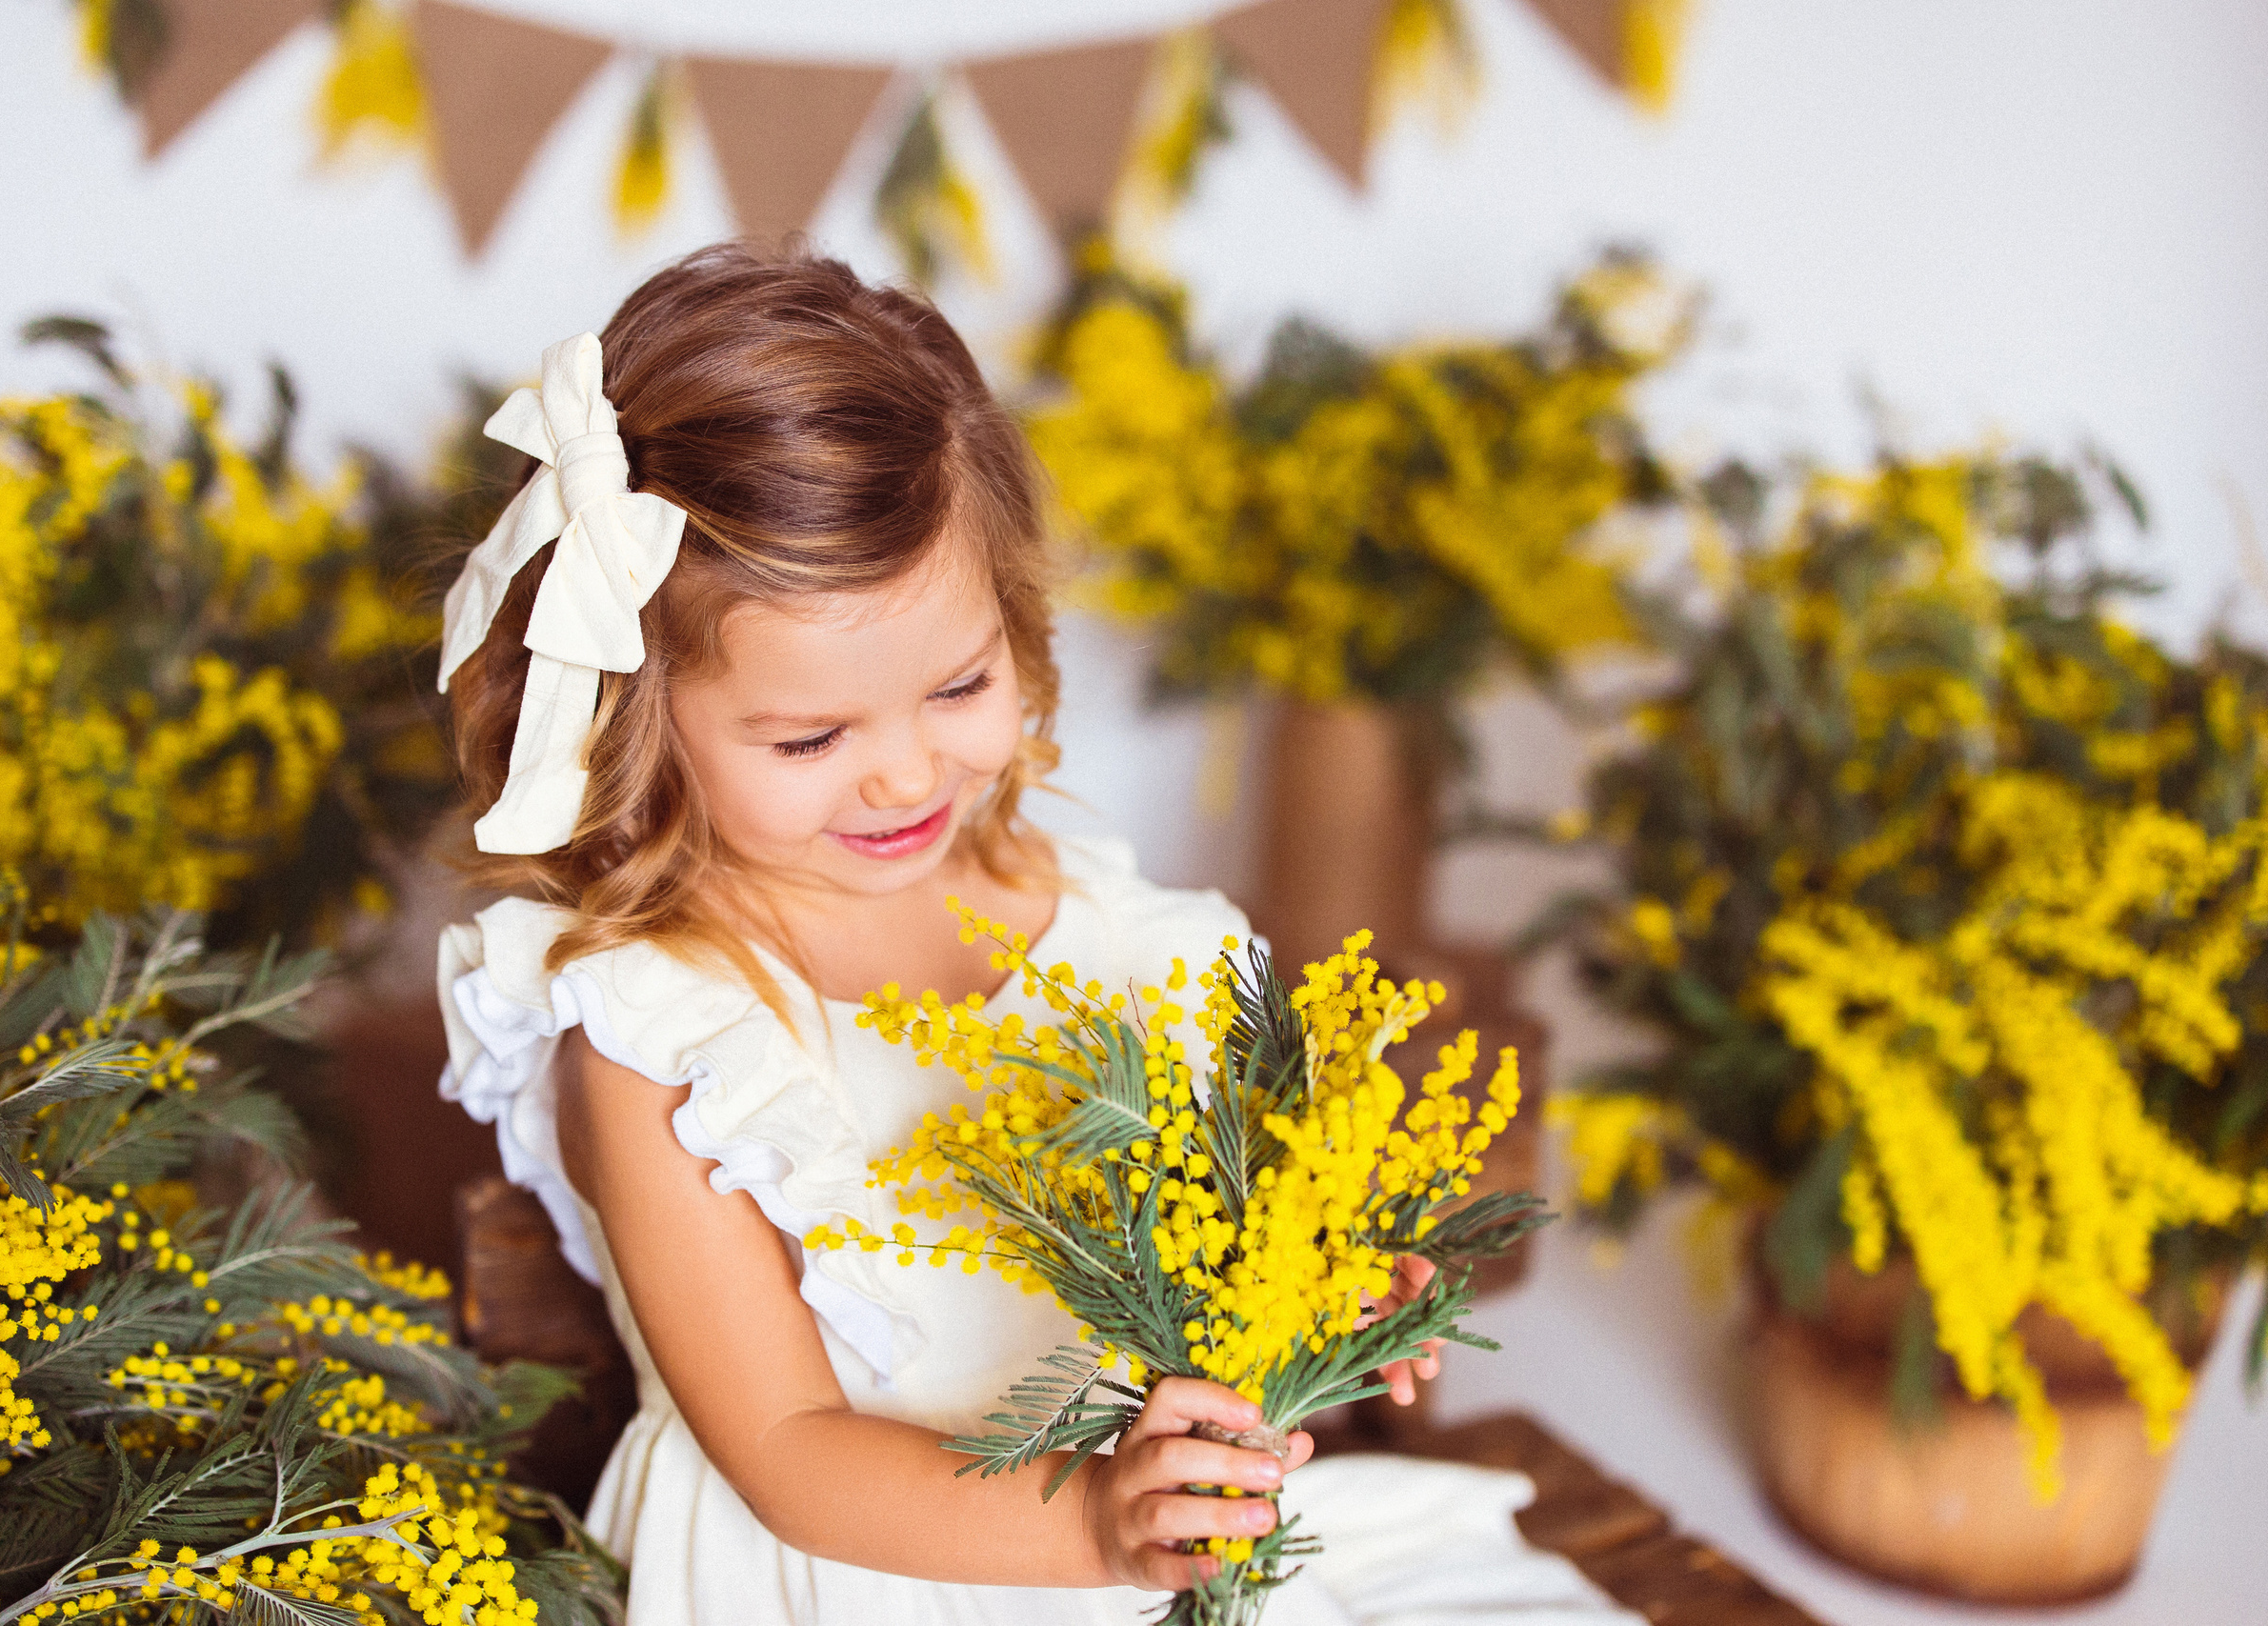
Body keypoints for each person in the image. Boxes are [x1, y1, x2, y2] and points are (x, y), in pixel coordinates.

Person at [435, 244, 1635, 1625]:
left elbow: (1216, 1266)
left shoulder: (1128, 934)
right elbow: (783, 1453)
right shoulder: (671, 1035)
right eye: (811, 735)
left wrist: (1322, 1290)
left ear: (1016, 623)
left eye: (960, 683)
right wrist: (1099, 1538)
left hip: (1159, 1560)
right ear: (636, 725)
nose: (901, 775)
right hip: (856, 1585)